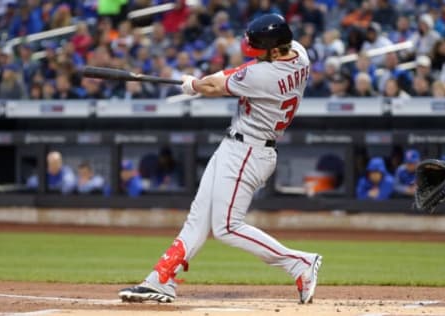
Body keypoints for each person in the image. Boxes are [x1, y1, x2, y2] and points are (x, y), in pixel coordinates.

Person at [119, 14, 321, 305]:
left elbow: (214, 86)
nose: (255, 55)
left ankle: (298, 263)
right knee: (198, 218)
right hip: (237, 145)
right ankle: (161, 280)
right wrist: (201, 83)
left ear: (276, 51)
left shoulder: (265, 76)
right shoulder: (299, 54)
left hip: (249, 152)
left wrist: (193, 84)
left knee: (227, 227)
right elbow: (233, 74)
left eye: (260, 51)